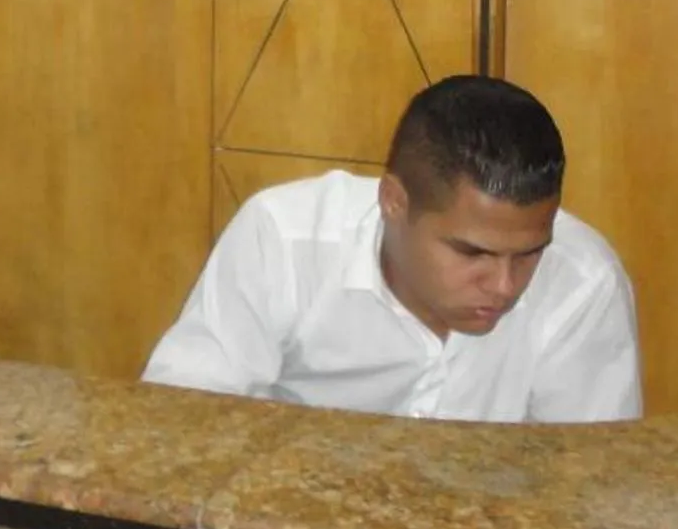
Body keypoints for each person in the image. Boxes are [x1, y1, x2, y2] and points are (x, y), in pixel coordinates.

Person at [143, 75, 640, 422]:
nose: (505, 286)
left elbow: (584, 485)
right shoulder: (284, 240)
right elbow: (185, 423)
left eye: (529, 254)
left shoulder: (583, 282)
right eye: (472, 254)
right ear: (393, 202)